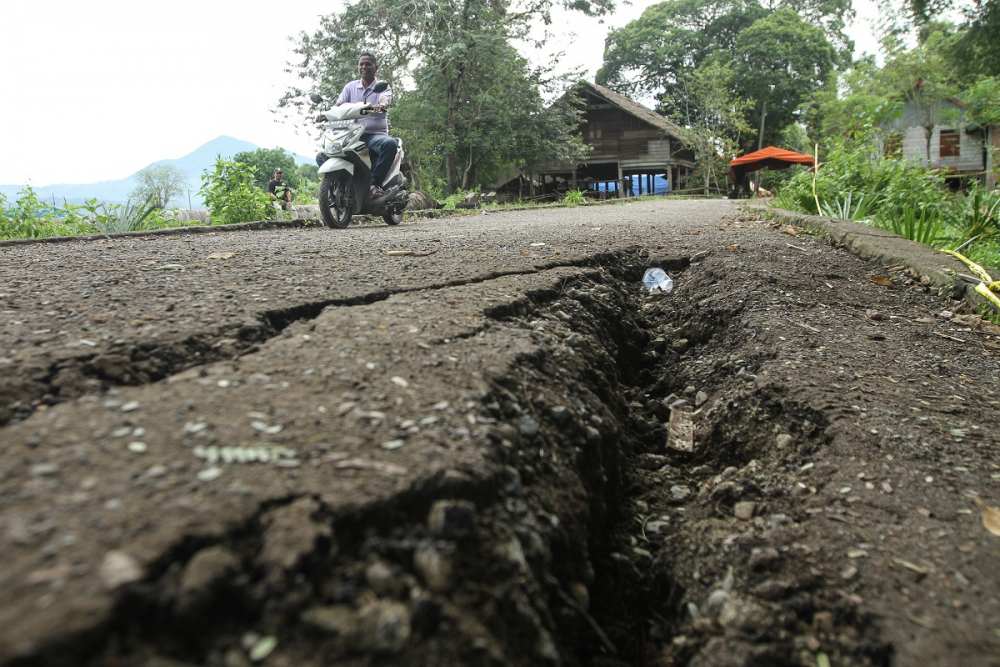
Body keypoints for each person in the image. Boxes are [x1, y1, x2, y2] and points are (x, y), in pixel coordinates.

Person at [317, 52, 397, 198]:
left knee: (390, 144)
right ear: (358, 67)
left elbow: (385, 99)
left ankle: (375, 184)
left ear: (375, 67)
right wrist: (325, 114)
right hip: (352, 134)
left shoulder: (382, 87)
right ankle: (338, 188)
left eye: (368, 64)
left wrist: (381, 105)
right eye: (361, 64)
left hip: (374, 135)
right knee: (321, 155)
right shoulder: (350, 87)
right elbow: (338, 105)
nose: (364, 67)